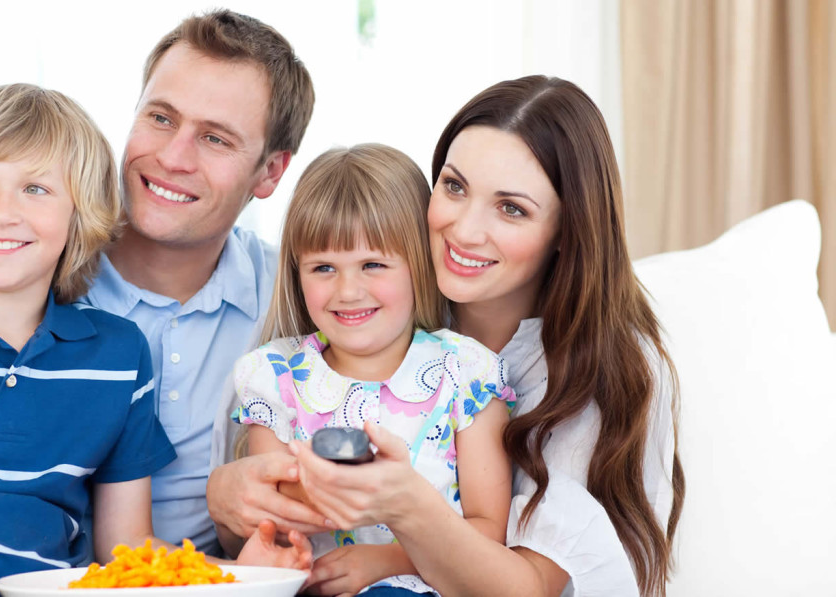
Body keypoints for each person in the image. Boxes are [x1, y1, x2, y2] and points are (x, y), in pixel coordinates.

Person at [0, 83, 309, 597]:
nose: (2, 211)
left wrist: (240, 572)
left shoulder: (118, 356)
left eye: (36, 189)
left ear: (81, 214)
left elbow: (127, 551)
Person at [210, 75, 685, 597]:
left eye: (512, 208)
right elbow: (259, 530)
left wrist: (401, 518)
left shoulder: (585, 372)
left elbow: (522, 585)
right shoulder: (371, 319)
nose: (462, 230)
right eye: (455, 187)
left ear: (567, 234)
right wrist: (233, 502)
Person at [78, 9, 318, 557]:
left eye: (214, 138)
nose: (171, 157)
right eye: (160, 118)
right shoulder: (30, 273)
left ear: (270, 173)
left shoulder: (305, 299)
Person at [231, 144, 516, 595]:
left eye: (372, 265)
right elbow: (274, 520)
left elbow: (489, 531)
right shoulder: (275, 377)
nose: (348, 291)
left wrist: (388, 560)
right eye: (323, 267)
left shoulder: (467, 373)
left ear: (417, 265)